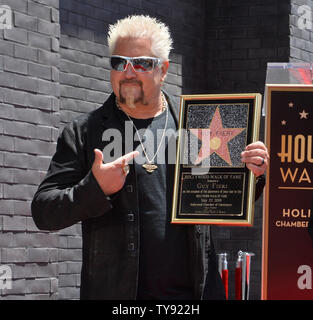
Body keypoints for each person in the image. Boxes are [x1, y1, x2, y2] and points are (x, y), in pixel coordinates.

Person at [31, 15, 269, 300]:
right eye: (119, 63)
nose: (128, 72)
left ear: (163, 69)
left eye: (142, 63)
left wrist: (253, 173)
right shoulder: (84, 132)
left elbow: (221, 197)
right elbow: (44, 212)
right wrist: (95, 188)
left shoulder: (196, 124)